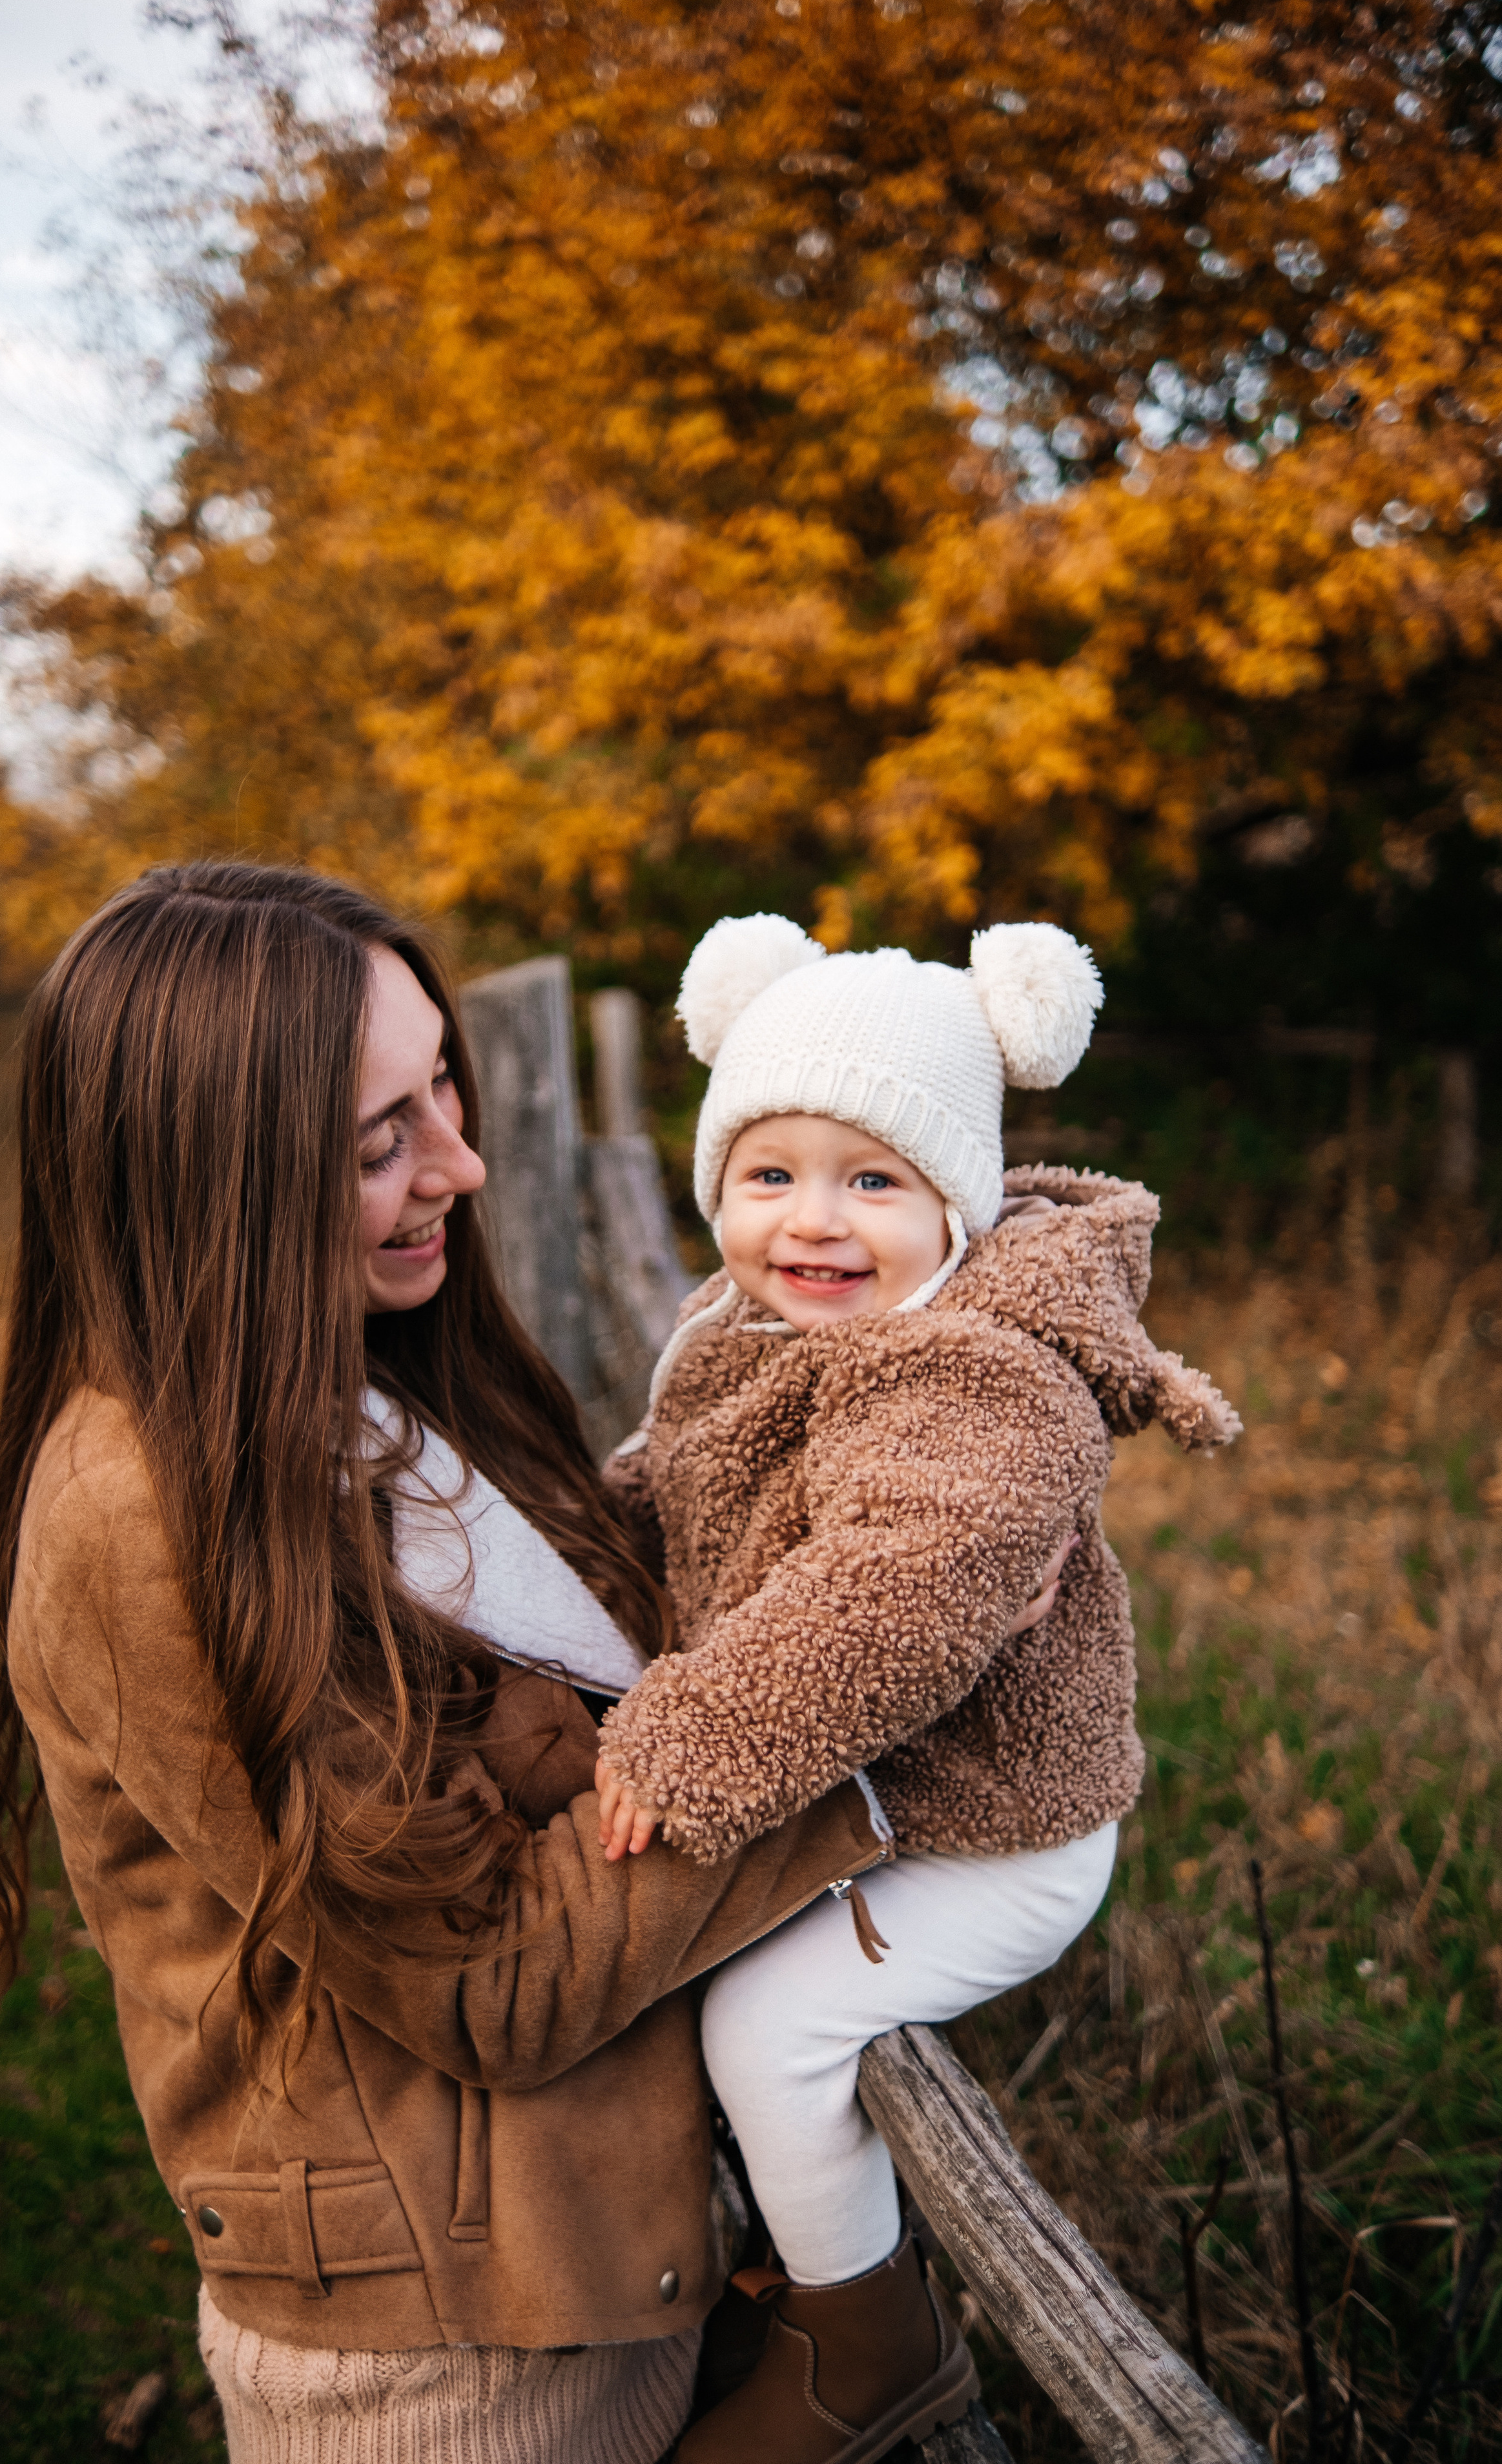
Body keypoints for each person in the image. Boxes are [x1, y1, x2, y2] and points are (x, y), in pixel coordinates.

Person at [0, 864, 934, 2464]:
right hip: (449, 2366)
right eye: (376, 1141)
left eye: (443, 1091)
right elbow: (486, 1987)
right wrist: (841, 1726)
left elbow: (589, 1681)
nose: (462, 1166)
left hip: (600, 2251)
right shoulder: (138, 1520)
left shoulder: (375, 1374)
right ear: (214, 1179)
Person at [593, 913, 1241, 2463]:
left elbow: (901, 1588)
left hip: (991, 1839)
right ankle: (767, 2240)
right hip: (872, 1804)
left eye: (871, 1181)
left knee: (770, 2026)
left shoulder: (976, 1376)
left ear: (949, 1202)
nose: (812, 1222)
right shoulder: (742, 1321)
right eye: (770, 1176)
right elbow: (680, 1481)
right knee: (673, 1979)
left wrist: (690, 1729)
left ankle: (863, 2343)